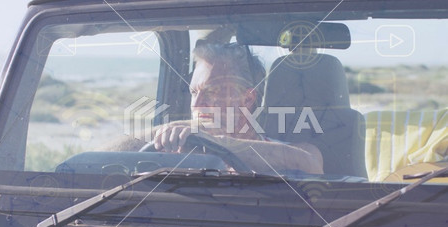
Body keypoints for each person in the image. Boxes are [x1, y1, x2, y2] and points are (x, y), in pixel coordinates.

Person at [108, 42, 323, 175]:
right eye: (194, 92)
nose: (196, 103)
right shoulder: (173, 153)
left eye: (211, 92)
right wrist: (171, 130)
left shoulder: (292, 152)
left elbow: (309, 164)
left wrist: (217, 142)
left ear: (247, 99)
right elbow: (106, 154)